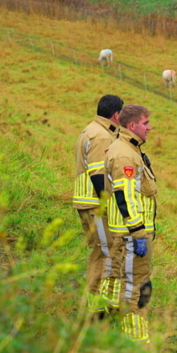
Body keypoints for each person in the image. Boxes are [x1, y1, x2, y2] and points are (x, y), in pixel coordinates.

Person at [105, 104, 157, 345]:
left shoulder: (129, 148)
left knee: (123, 279)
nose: (149, 128)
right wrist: (137, 232)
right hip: (130, 233)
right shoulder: (125, 154)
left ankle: (114, 327)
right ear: (132, 125)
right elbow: (124, 195)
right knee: (135, 284)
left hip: (125, 230)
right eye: (145, 124)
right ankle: (135, 339)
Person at [72, 94, 122, 318]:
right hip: (95, 204)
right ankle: (94, 307)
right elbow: (97, 172)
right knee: (105, 252)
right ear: (116, 115)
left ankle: (97, 304)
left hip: (89, 202)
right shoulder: (101, 135)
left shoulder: (92, 129)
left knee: (102, 251)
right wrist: (109, 202)